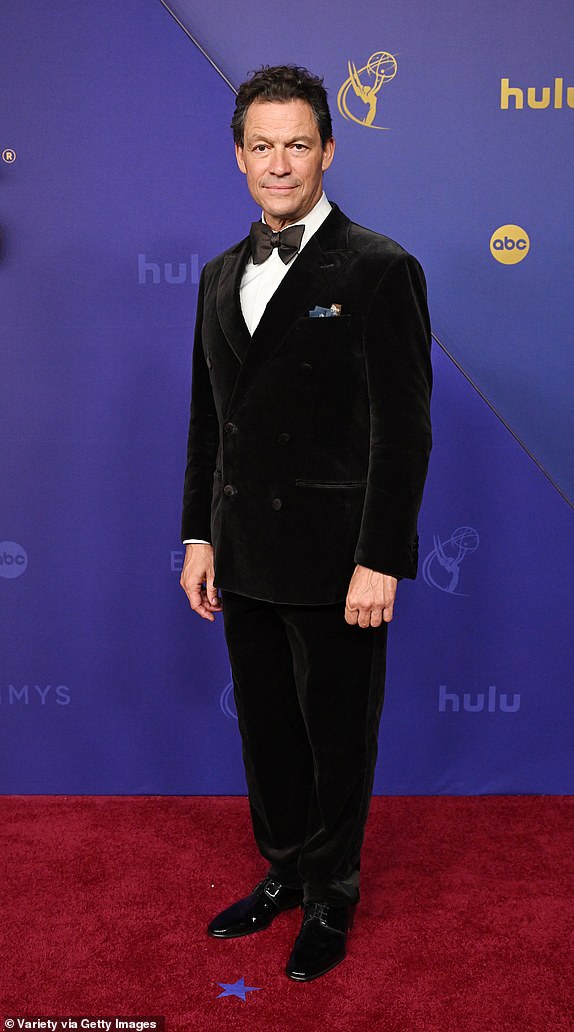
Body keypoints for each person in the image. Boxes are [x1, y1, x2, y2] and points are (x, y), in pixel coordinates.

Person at [180, 64, 432, 982]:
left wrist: (381, 559)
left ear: (329, 148)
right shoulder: (215, 276)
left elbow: (403, 432)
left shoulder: (378, 269)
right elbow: (211, 420)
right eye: (261, 146)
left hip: (338, 562)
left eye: (296, 144)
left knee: (335, 734)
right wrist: (199, 537)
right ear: (238, 156)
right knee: (268, 730)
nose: (278, 163)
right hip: (241, 552)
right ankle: (283, 874)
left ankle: (332, 895)